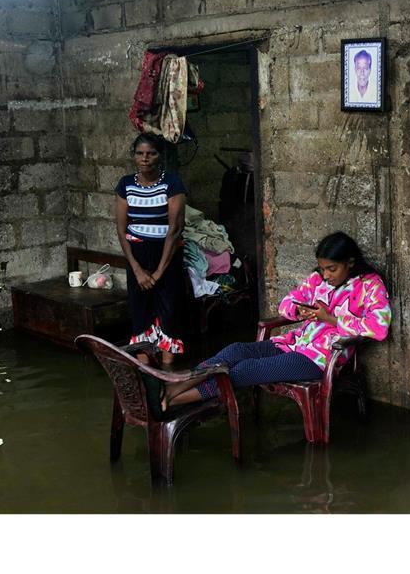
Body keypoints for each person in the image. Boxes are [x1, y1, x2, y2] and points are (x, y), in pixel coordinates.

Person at [163, 231, 391, 407]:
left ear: (350, 262)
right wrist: (300, 310)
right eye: (322, 269)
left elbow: (379, 328)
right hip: (293, 344)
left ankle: (173, 401)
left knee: (244, 370)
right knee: (235, 351)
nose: (325, 275)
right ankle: (174, 388)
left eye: (331, 269)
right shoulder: (318, 279)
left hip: (320, 358)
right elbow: (286, 304)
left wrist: (331, 319)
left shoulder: (370, 285)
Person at [114, 132, 188, 368]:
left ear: (160, 156)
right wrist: (137, 270)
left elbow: (174, 229)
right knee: (140, 312)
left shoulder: (172, 183)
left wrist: (157, 273)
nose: (145, 158)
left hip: (166, 257)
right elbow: (121, 228)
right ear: (134, 157)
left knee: (168, 312)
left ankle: (167, 370)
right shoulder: (125, 185)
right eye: (140, 153)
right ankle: (145, 370)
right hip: (137, 257)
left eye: (151, 153)